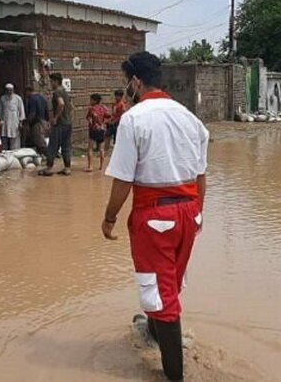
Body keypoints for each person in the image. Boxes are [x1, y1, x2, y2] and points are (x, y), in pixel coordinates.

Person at [101, 52, 209, 382]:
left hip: (154, 215)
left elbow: (124, 179)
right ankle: (152, 332)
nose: (126, 88)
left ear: (135, 81)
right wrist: (198, 216)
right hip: (189, 211)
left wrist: (109, 218)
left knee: (159, 291)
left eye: (126, 82)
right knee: (167, 285)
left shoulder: (134, 119)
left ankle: (174, 376)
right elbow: (201, 175)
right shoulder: (190, 119)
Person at [38, 73, 73, 177]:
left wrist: (55, 118)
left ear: (56, 81)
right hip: (67, 124)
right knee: (66, 146)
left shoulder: (57, 92)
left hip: (60, 125)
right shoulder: (65, 92)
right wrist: (69, 119)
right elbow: (71, 107)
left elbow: (61, 104)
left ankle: (49, 168)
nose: (50, 84)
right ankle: (67, 168)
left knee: (53, 146)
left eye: (51, 81)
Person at [85, 93, 108, 172]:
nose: (90, 101)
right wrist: (102, 124)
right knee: (101, 149)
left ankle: (90, 166)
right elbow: (108, 116)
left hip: (93, 130)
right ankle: (101, 166)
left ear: (95, 101)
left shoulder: (92, 109)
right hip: (101, 129)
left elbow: (88, 117)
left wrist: (92, 123)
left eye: (91, 100)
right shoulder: (103, 108)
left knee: (90, 148)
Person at [0, 83, 25, 151]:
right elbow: (1, 111)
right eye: (8, 90)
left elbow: (21, 111)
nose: (9, 92)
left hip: (15, 122)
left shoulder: (18, 98)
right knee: (4, 139)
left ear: (13, 90)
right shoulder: (2, 98)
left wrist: (21, 122)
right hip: (5, 122)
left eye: (11, 90)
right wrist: (0, 120)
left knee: (15, 140)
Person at [24, 85, 49, 156]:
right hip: (43, 121)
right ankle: (42, 155)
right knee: (40, 139)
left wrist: (28, 123)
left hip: (37, 122)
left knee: (39, 141)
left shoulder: (32, 99)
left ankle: (49, 157)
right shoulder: (42, 98)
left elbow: (32, 113)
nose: (26, 95)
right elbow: (46, 110)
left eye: (26, 93)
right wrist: (47, 121)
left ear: (28, 91)